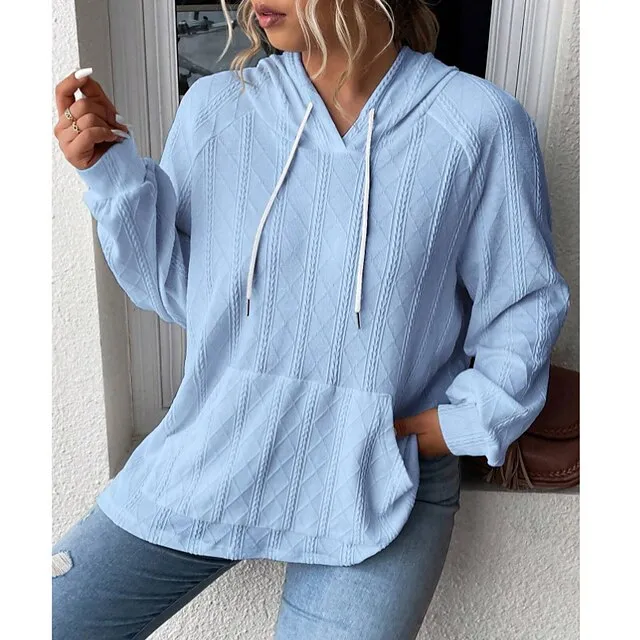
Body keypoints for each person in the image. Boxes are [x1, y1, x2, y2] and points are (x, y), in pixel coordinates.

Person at [51, 0, 570, 638]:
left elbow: (523, 301)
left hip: (379, 474)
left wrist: (460, 424)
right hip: (218, 447)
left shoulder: (478, 122)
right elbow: (183, 292)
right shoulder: (219, 108)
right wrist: (109, 173)